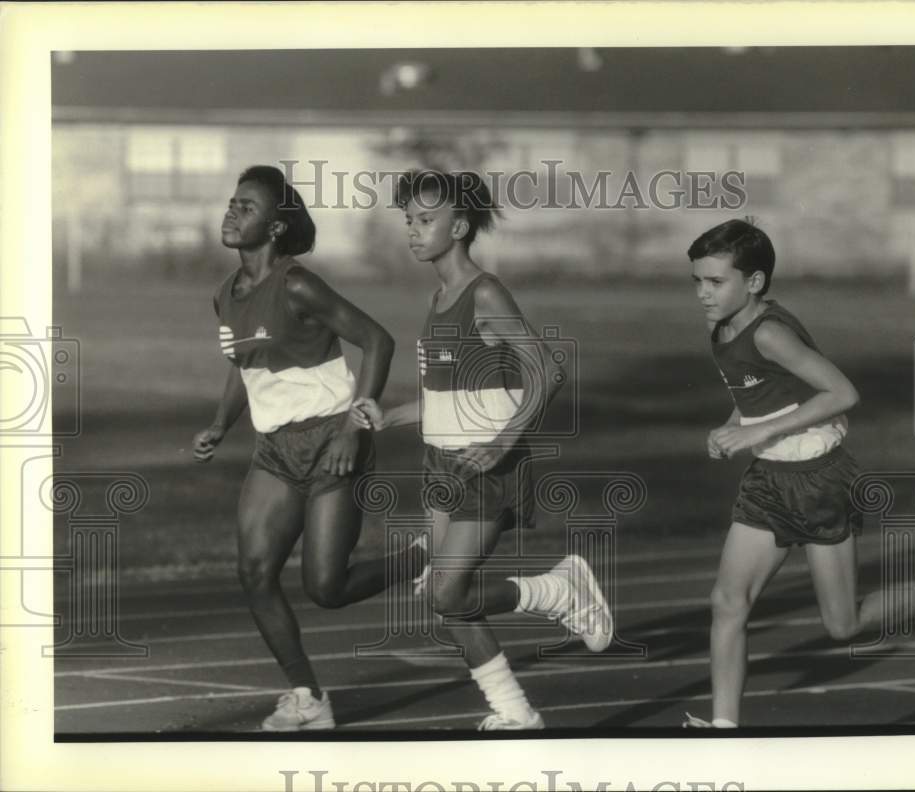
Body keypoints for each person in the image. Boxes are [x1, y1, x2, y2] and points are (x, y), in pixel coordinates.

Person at [350, 169, 613, 731]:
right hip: (443, 464)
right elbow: (448, 396)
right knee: (447, 600)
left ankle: (554, 589)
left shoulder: (485, 292)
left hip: (487, 465)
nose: (413, 232)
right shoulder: (440, 295)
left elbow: (545, 372)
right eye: (409, 221)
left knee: (447, 593)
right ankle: (515, 713)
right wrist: (389, 416)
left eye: (426, 221)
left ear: (460, 225)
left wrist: (500, 444)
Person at [682, 218, 915, 728]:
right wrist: (730, 426)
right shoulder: (719, 327)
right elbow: (757, 398)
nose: (703, 293)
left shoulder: (773, 334)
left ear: (754, 282)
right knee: (727, 602)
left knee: (842, 625)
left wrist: (756, 435)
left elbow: (842, 394)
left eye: (715, 282)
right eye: (697, 280)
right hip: (768, 483)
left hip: (819, 480)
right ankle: (723, 730)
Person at [192, 165, 425, 731]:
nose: (231, 212)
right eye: (232, 202)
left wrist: (353, 426)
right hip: (274, 450)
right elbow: (241, 366)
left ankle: (423, 555)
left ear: (274, 228)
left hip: (330, 441)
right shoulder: (225, 295)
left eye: (246, 207)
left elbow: (378, 340)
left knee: (326, 588)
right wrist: (221, 425)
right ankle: (307, 696)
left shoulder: (298, 284)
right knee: (254, 571)